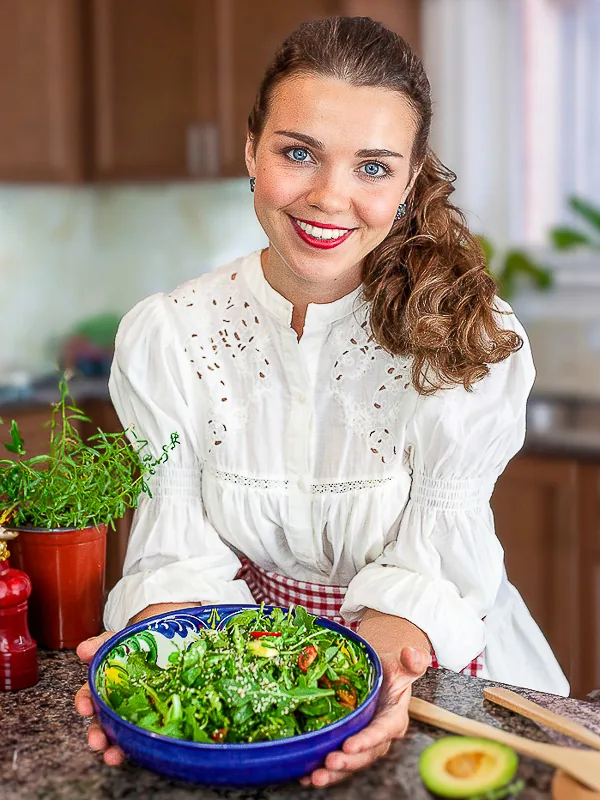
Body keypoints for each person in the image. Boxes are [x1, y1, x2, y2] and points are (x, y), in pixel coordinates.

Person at [74, 15, 569, 787]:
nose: (330, 197)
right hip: (250, 667)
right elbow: (176, 555)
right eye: (298, 152)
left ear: (408, 183)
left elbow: (437, 562)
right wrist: (162, 667)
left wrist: (359, 687)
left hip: (433, 674)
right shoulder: (171, 336)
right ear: (251, 151)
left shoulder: (469, 339)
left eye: (373, 167)